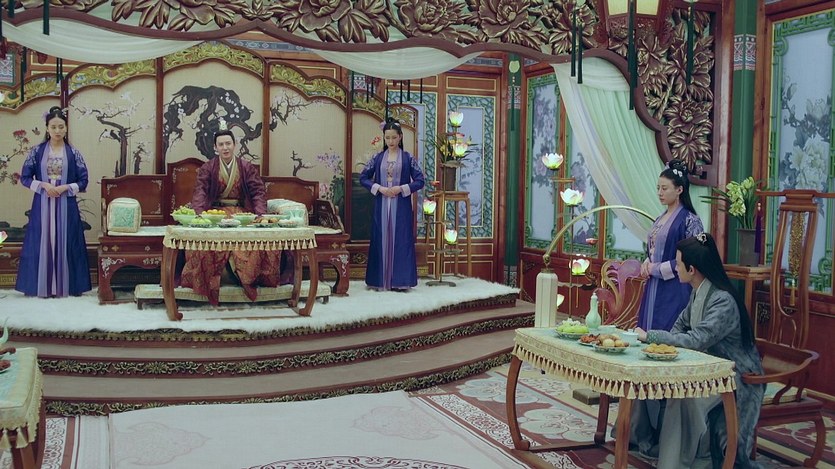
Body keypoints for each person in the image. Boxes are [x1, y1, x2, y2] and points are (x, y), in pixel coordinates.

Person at [633, 233, 764, 468]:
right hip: (706, 368)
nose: (676, 268)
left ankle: (682, 462)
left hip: (734, 375)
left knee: (684, 396)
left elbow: (697, 338)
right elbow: (680, 326)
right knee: (646, 377)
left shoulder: (723, 301)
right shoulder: (698, 292)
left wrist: (652, 336)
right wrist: (664, 348)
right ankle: (646, 441)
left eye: (678, 263)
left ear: (691, 269)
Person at [180, 129, 287, 305]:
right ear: (215, 147)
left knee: (255, 242)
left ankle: (247, 279)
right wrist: (200, 215)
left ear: (235, 145)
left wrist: (260, 215)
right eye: (221, 144)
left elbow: (257, 192)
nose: (225, 148)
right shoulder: (208, 168)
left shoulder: (246, 167)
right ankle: (211, 282)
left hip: (241, 214)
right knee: (204, 243)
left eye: (228, 143)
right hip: (215, 214)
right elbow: (200, 192)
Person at [16, 106, 92, 298]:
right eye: (53, 127)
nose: (57, 131)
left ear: (66, 128)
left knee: (68, 239)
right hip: (42, 203)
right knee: (41, 239)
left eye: (61, 127)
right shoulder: (36, 152)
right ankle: (40, 286)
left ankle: (69, 286)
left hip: (67, 204)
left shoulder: (73, 153)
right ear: (47, 128)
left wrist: (65, 187)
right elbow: (25, 178)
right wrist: (43, 185)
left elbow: (83, 181)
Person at [637, 159, 704, 331]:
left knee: (668, 334)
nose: (659, 193)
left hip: (676, 288)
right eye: (658, 188)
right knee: (647, 333)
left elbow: (693, 259)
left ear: (679, 190)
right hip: (653, 285)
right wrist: (647, 262)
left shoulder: (690, 220)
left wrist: (656, 268)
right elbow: (652, 250)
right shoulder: (660, 218)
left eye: (664, 188)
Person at [360, 118, 425, 291]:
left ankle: (401, 280)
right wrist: (380, 188)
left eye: (394, 137)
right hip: (381, 204)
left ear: (400, 137)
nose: (391, 141)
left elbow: (420, 181)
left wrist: (401, 188)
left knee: (401, 239)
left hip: (401, 205)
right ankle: (379, 280)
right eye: (387, 137)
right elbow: (363, 178)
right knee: (380, 238)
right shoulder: (378, 158)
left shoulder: (408, 158)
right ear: (384, 138)